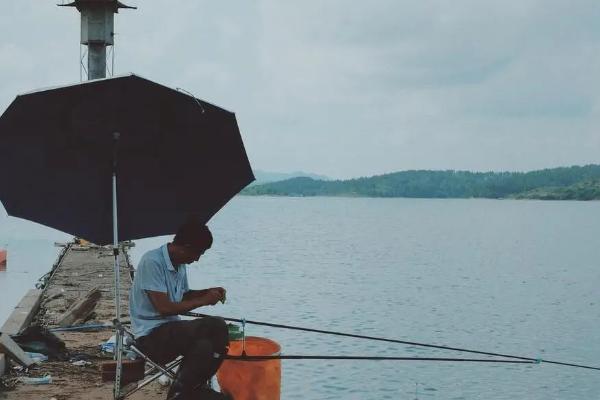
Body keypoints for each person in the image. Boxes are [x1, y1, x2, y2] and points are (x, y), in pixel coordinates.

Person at [129, 220, 230, 400]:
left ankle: (186, 391)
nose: (197, 259)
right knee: (217, 325)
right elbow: (164, 307)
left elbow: (182, 297)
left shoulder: (180, 264)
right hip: (150, 337)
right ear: (185, 247)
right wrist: (204, 301)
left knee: (206, 345)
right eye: (198, 253)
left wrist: (207, 292)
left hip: (172, 332)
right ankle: (183, 392)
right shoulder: (152, 262)